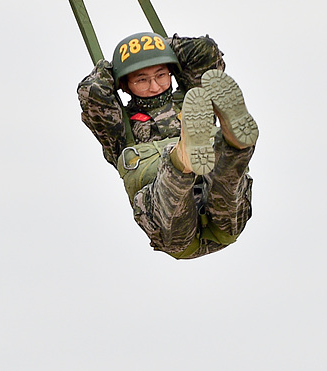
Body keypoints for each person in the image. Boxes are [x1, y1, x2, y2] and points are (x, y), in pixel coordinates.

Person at [77, 32, 258, 259]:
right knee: (172, 185)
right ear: (124, 84)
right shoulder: (119, 128)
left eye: (161, 74)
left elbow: (204, 50)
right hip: (177, 234)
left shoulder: (192, 100)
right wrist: (113, 68)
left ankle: (234, 144)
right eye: (141, 79)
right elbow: (92, 93)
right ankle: (182, 157)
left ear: (171, 71)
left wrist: (162, 47)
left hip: (224, 219)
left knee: (228, 177)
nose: (154, 86)